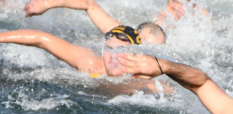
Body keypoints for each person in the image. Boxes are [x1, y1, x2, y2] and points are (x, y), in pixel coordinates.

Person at [0, 25, 147, 78]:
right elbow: (42, 39)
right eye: (109, 49)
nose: (114, 56)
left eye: (121, 50)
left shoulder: (142, 80)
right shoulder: (90, 62)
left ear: (135, 54)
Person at [24, 0, 166, 44]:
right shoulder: (122, 38)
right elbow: (89, 4)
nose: (145, 50)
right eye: (142, 42)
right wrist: (46, 3)